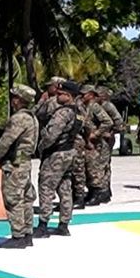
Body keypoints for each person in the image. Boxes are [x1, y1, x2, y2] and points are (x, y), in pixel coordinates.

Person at [0, 85, 39, 249]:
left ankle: (18, 236)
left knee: (13, 199)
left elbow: (6, 142)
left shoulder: (19, 118)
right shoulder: (31, 117)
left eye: (14, 98)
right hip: (24, 162)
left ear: (19, 100)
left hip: (15, 164)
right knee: (26, 198)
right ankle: (27, 233)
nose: (12, 101)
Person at [34, 81, 82, 239]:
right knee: (65, 188)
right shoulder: (79, 110)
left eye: (60, 94)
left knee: (46, 187)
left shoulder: (63, 113)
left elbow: (51, 135)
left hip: (56, 154)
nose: (57, 96)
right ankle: (64, 224)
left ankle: (43, 225)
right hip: (69, 152)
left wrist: (40, 147)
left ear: (68, 96)